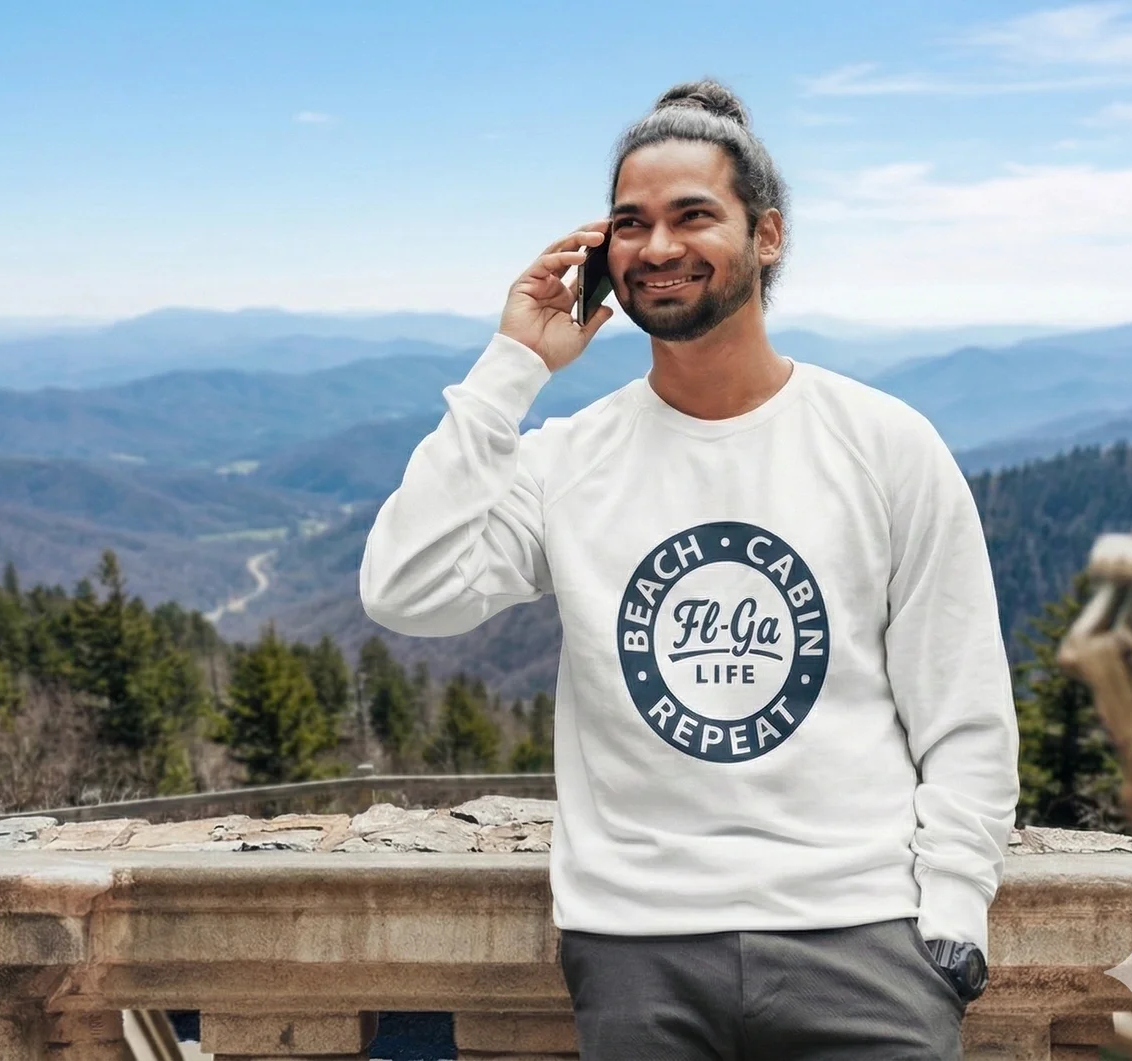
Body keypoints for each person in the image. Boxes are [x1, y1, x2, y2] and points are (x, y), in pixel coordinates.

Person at [357, 79, 1019, 1059]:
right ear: (601, 253)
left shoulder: (884, 444)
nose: (657, 246)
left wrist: (954, 906)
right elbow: (404, 587)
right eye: (630, 222)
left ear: (767, 235)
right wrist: (511, 368)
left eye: (692, 215)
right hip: (638, 943)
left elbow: (962, 703)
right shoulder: (569, 459)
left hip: (863, 933)